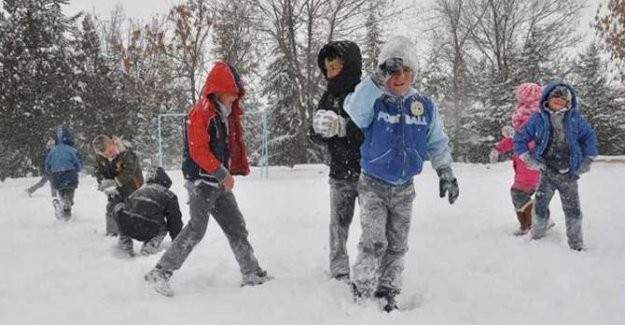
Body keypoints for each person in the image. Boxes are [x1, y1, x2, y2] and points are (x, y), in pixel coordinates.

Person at [344, 36, 459, 311]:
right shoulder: (374, 100)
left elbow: (437, 141)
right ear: (385, 73)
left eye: (407, 71)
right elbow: (354, 111)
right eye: (394, 71)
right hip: (373, 184)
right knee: (374, 240)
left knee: (397, 243)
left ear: (414, 74)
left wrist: (446, 172)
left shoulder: (424, 105)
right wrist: (374, 80)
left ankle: (388, 289)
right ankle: (363, 286)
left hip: (405, 187)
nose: (400, 77)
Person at [145, 61, 271, 297]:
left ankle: (251, 271)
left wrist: (227, 171)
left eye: (236, 94)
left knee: (236, 226)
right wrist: (223, 173)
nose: (235, 98)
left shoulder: (223, 113)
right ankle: (160, 272)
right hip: (201, 183)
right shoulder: (201, 113)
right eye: (231, 94)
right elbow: (198, 151)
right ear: (219, 90)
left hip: (218, 183)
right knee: (196, 229)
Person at [513, 81, 598, 251]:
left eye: (562, 101)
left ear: (569, 103)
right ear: (547, 100)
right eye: (555, 100)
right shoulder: (538, 119)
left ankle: (576, 244)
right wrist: (527, 158)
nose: (558, 104)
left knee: (573, 210)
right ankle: (537, 235)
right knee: (540, 205)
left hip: (569, 174)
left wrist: (588, 159)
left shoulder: (575, 119)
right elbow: (520, 138)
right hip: (547, 171)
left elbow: (589, 137)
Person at [310, 40, 363, 282]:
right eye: (327, 68)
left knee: (373, 225)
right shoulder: (328, 96)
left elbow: (371, 129)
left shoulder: (364, 94)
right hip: (340, 173)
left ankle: (369, 267)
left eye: (336, 67)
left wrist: (345, 128)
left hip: (369, 173)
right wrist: (318, 129)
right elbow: (316, 132)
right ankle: (339, 270)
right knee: (338, 226)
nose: (331, 72)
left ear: (349, 66)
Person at [489, 83, 542, 235]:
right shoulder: (530, 116)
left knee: (518, 193)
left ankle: (536, 221)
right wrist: (498, 147)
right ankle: (528, 225)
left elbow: (532, 142)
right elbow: (515, 140)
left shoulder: (534, 118)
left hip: (530, 168)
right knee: (522, 194)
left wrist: (513, 137)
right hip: (528, 168)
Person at [113, 166, 183, 256]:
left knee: (121, 211)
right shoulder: (169, 195)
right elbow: (174, 221)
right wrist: (177, 240)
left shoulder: (138, 191)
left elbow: (126, 208)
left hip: (128, 227)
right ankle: (149, 247)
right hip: (150, 229)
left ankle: (125, 244)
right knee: (164, 226)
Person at [92, 135, 144, 253]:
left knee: (128, 209)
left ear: (112, 143)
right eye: (104, 155)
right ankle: (113, 233)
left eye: (110, 151)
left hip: (132, 186)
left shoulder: (126, 152)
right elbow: (98, 171)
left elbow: (130, 171)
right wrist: (103, 182)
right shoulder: (101, 158)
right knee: (111, 207)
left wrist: (115, 181)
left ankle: (128, 236)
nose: (108, 155)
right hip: (115, 188)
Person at [45, 126, 82, 221]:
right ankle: (68, 204)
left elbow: (47, 164)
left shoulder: (52, 151)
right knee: (70, 191)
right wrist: (77, 169)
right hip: (70, 173)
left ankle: (61, 204)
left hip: (56, 175)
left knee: (61, 191)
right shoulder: (71, 150)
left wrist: (50, 171)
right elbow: (77, 162)